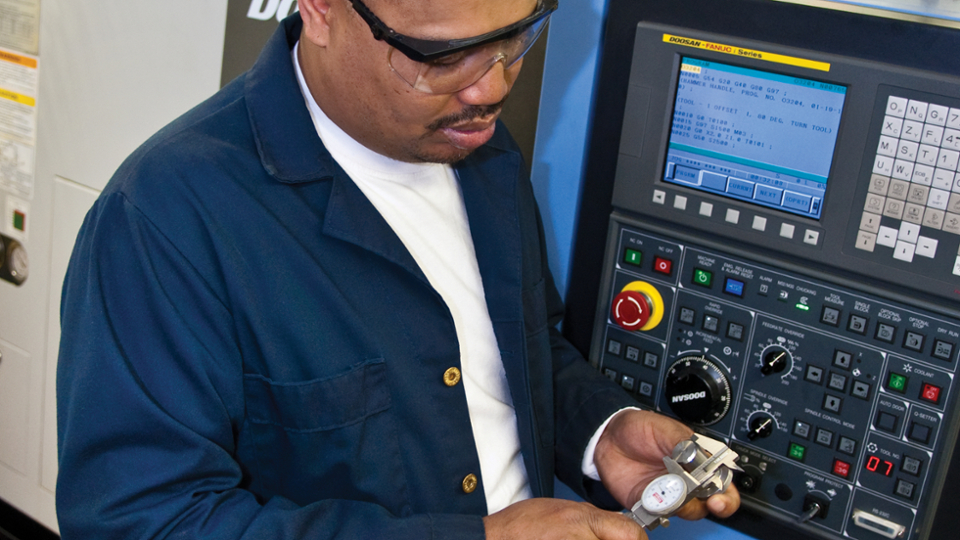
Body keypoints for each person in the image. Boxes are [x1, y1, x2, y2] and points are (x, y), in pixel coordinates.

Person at [55, 0, 740, 538]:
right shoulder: (167, 218)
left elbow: (516, 354)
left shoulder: (479, 151)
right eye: (442, 55)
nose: (490, 88)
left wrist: (599, 432)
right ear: (320, 8)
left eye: (515, 38)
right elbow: (144, 521)